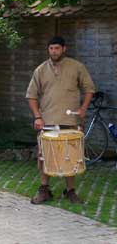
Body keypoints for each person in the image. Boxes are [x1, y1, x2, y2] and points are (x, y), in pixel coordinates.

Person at [26, 36, 95, 204]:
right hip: (47, 121)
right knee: (44, 156)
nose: (54, 51)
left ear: (64, 49)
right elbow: (31, 96)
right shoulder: (40, 70)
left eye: (57, 48)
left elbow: (89, 88)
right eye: (51, 48)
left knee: (70, 157)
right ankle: (44, 190)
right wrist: (37, 116)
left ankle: (70, 191)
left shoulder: (77, 67)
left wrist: (83, 108)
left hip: (71, 121)